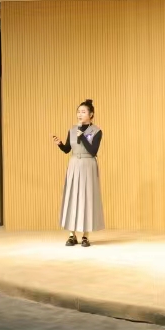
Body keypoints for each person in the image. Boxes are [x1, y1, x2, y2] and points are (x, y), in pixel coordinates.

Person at [52, 98, 104, 247]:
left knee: (87, 198)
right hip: (74, 165)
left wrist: (82, 136)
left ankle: (85, 236)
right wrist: (60, 144)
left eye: (83, 112)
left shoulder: (97, 131)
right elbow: (67, 149)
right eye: (78, 112)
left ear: (91, 114)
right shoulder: (72, 130)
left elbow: (93, 151)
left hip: (88, 165)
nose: (80, 114)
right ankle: (71, 235)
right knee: (72, 197)